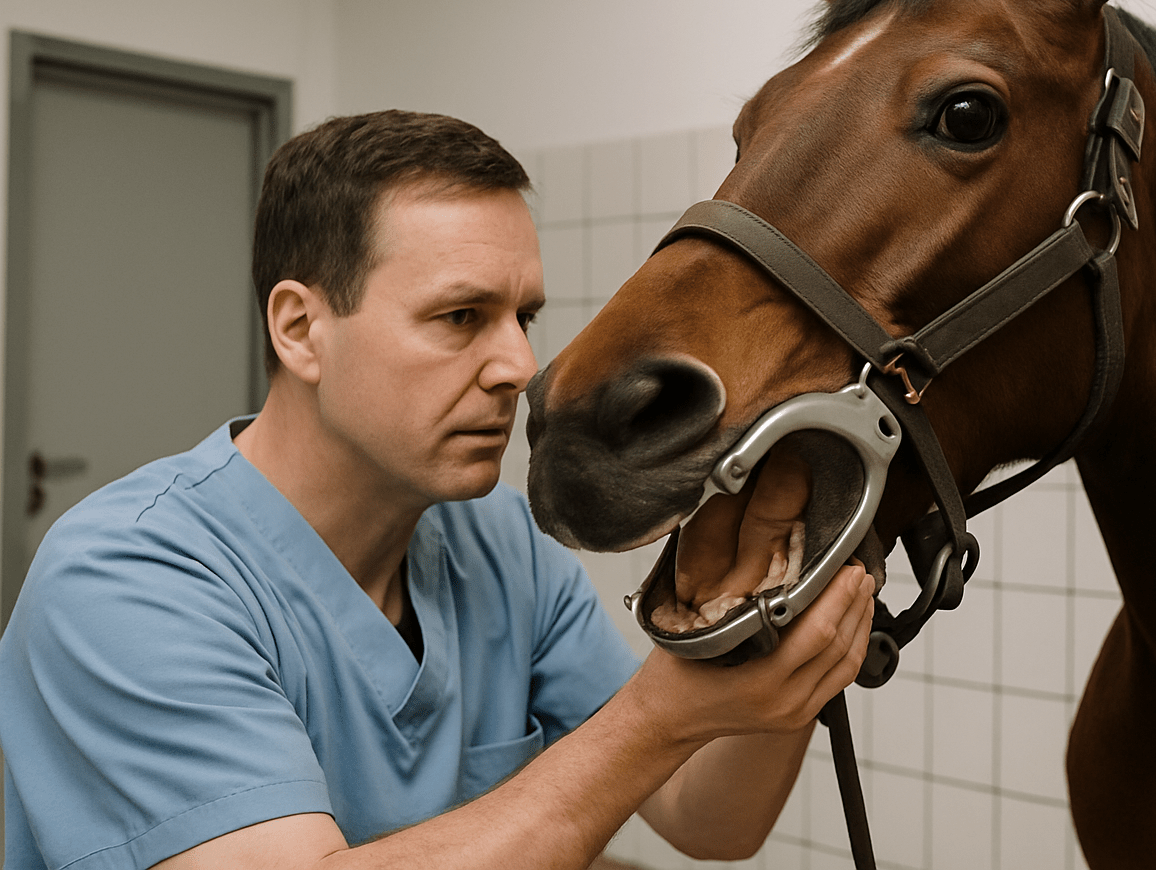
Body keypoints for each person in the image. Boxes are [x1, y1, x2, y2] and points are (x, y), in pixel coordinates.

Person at [0, 110, 875, 870]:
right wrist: (653, 716)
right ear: (301, 329)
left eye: (522, 317)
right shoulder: (125, 581)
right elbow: (645, 737)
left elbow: (709, 819)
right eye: (461, 318)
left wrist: (776, 607)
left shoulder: (502, 546)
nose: (520, 367)